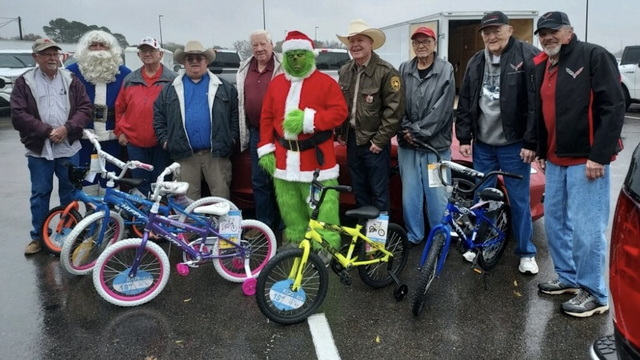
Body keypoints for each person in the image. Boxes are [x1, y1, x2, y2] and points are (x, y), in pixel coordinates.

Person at [533, 11, 625, 317]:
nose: (547, 37)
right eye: (543, 33)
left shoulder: (594, 56)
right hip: (556, 159)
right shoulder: (544, 66)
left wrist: (600, 154)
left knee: (587, 229)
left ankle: (595, 294)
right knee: (557, 224)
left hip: (587, 160)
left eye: (553, 31)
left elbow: (613, 106)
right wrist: (540, 150)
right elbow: (541, 112)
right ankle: (569, 278)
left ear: (569, 31)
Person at [455, 11, 540, 274]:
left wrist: (531, 142)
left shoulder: (527, 55)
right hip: (483, 145)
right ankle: (479, 244)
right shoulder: (476, 61)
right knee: (483, 199)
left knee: (518, 199)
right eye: (486, 32)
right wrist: (464, 136)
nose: (491, 36)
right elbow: (466, 100)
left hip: (514, 145)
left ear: (510, 30)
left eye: (496, 30)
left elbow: (535, 103)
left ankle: (526, 252)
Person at [257, 31, 347, 251]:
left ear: (310, 56)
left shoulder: (326, 83)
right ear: (286, 57)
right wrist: (265, 148)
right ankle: (296, 238)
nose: (296, 59)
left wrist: (309, 119)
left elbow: (340, 113)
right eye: (292, 55)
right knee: (290, 205)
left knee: (322, 207)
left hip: (316, 160)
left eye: (300, 54)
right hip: (283, 159)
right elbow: (266, 117)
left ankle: (325, 246)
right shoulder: (276, 84)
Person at [11, 38, 91, 255]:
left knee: (70, 192)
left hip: (68, 148)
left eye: (55, 54)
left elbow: (84, 108)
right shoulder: (24, 82)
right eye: (46, 54)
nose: (52, 58)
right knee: (40, 193)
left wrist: (67, 128)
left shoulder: (71, 79)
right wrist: (47, 131)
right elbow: (18, 115)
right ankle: (38, 237)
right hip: (39, 150)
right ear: (35, 57)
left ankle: (67, 235)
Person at [154, 40, 239, 200]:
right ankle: (190, 226)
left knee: (221, 200)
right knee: (186, 202)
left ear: (206, 61)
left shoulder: (225, 88)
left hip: (216, 155)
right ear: (184, 63)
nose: (194, 62)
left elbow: (235, 115)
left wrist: (231, 138)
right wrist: (166, 140)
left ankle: (220, 226)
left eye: (199, 58)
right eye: (190, 59)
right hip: (184, 156)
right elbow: (159, 116)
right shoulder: (169, 89)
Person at [336, 19, 404, 213]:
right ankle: (363, 236)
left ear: (371, 43)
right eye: (352, 40)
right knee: (359, 191)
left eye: (360, 40)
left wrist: (380, 140)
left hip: (374, 144)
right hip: (351, 141)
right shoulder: (345, 70)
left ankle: (377, 242)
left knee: (379, 193)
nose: (355, 45)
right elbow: (342, 105)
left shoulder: (387, 71)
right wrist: (341, 131)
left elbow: (395, 110)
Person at [397, 27, 455, 245]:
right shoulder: (404, 69)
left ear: (434, 43)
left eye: (425, 41)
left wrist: (417, 132)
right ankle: (414, 235)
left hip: (435, 147)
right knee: (409, 195)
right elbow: (397, 103)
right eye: (416, 42)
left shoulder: (445, 69)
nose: (421, 45)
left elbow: (443, 109)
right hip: (408, 147)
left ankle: (440, 237)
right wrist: (405, 130)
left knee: (437, 195)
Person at [67, 30, 131, 194]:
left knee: (111, 176)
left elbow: (131, 107)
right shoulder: (71, 72)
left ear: (111, 49)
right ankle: (91, 213)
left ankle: (111, 216)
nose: (98, 49)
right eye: (93, 45)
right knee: (86, 175)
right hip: (84, 135)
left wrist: (124, 131)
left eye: (102, 45)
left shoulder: (125, 74)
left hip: (113, 135)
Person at [115, 37, 176, 196]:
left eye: (152, 50)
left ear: (160, 54)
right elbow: (119, 108)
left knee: (161, 185)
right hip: (135, 143)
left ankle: (161, 219)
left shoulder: (173, 79)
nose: (148, 54)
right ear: (139, 55)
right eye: (144, 51)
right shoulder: (130, 79)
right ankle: (143, 219)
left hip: (161, 143)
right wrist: (120, 131)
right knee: (140, 185)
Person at [236, 30, 283, 229]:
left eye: (263, 44)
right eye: (255, 45)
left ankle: (285, 226)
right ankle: (264, 225)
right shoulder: (245, 67)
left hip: (281, 135)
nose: (259, 48)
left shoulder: (284, 66)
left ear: (272, 44)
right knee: (259, 182)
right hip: (257, 133)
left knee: (282, 181)